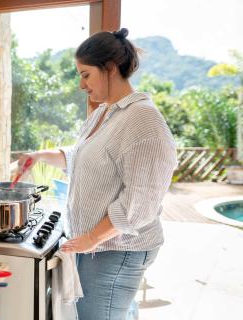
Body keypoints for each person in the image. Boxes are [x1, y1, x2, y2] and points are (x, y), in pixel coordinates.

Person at [16, 28, 177, 320]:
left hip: (115, 249)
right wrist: (37, 156)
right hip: (99, 247)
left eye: (86, 74)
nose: (81, 84)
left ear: (111, 69)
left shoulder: (142, 119)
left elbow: (140, 202)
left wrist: (91, 238)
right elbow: (81, 157)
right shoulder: (105, 113)